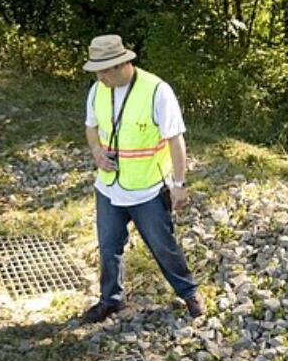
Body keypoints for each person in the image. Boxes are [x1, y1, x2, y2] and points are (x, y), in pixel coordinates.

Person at [81, 34, 204, 322]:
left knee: (164, 247)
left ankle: (189, 294)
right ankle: (110, 300)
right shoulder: (97, 89)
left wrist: (179, 185)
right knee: (109, 248)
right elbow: (91, 127)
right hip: (109, 188)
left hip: (148, 190)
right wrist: (96, 151)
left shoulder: (157, 90)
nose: (98, 76)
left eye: (102, 70)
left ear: (119, 64)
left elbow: (176, 140)